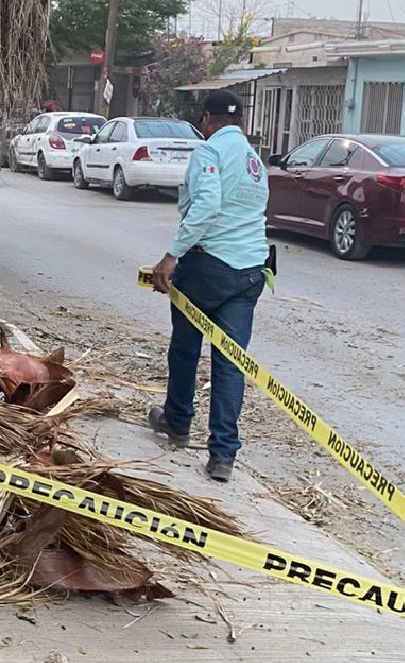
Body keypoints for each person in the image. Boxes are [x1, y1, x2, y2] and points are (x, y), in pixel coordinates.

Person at [147, 89, 270, 483]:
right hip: (252, 269)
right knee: (230, 361)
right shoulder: (255, 159)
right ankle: (222, 456)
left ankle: (178, 421)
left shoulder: (209, 152)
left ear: (207, 118)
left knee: (185, 347)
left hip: (208, 264)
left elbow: (206, 206)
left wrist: (171, 256)